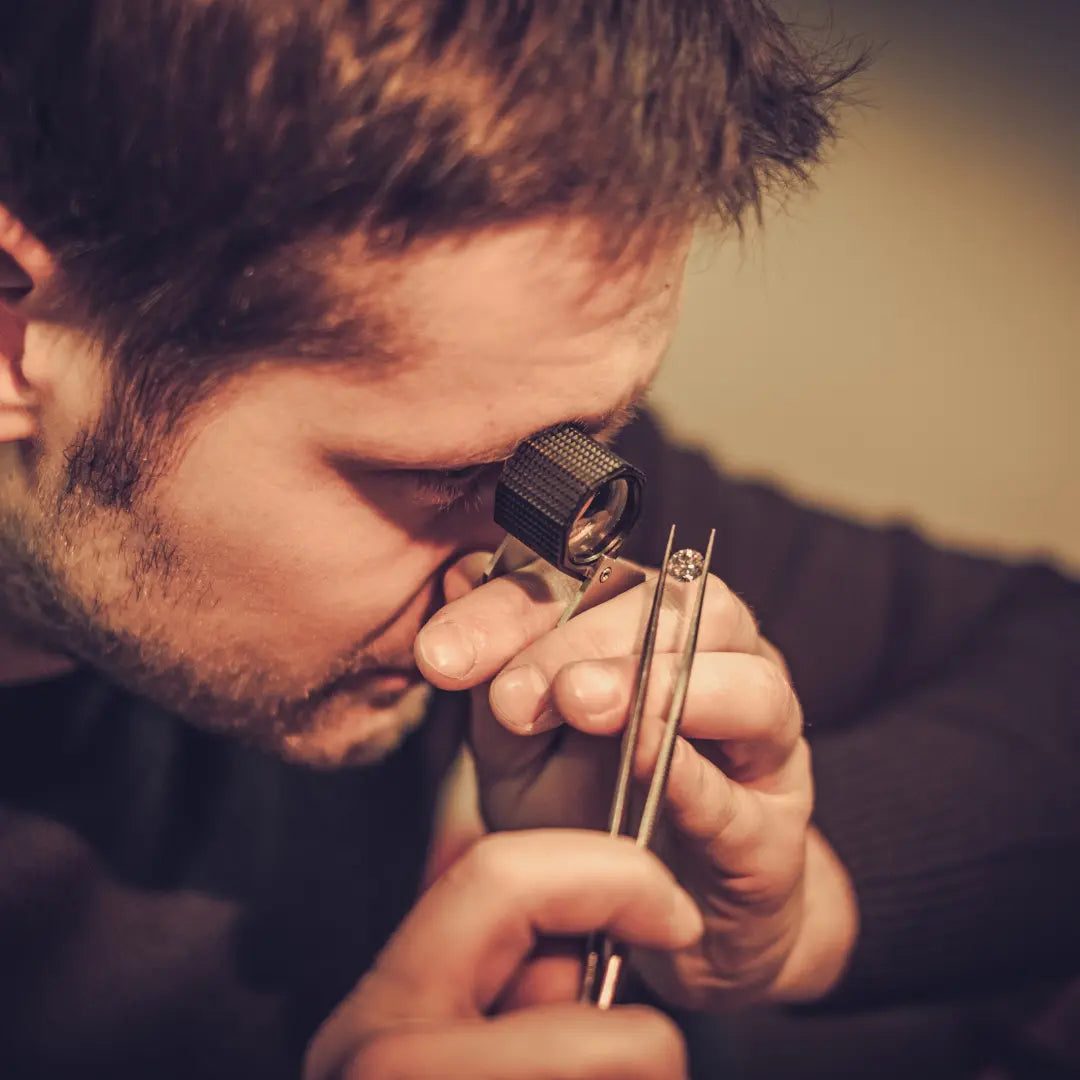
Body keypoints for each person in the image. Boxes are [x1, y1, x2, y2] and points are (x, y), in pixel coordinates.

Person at [0, 3, 1076, 1078]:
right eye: (438, 480)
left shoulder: (491, 426)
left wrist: (784, 910)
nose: (508, 577)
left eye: (585, 444)